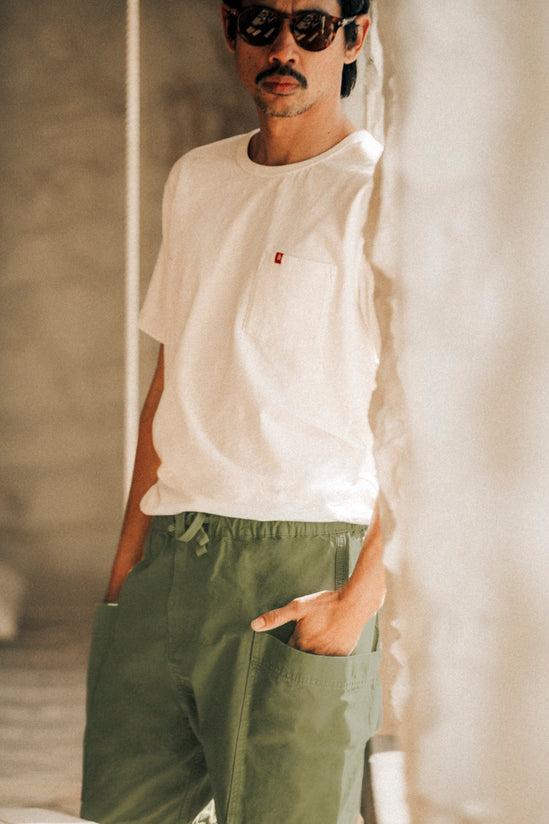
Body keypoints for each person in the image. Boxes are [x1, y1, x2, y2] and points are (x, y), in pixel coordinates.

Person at [80, 2, 386, 823]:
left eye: (311, 26)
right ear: (230, 29)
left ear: (354, 36)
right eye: (261, 23)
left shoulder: (378, 193)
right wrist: (124, 578)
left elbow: (428, 420)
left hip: (303, 567)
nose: (283, 47)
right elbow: (169, 381)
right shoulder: (197, 177)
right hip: (169, 556)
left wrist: (357, 601)